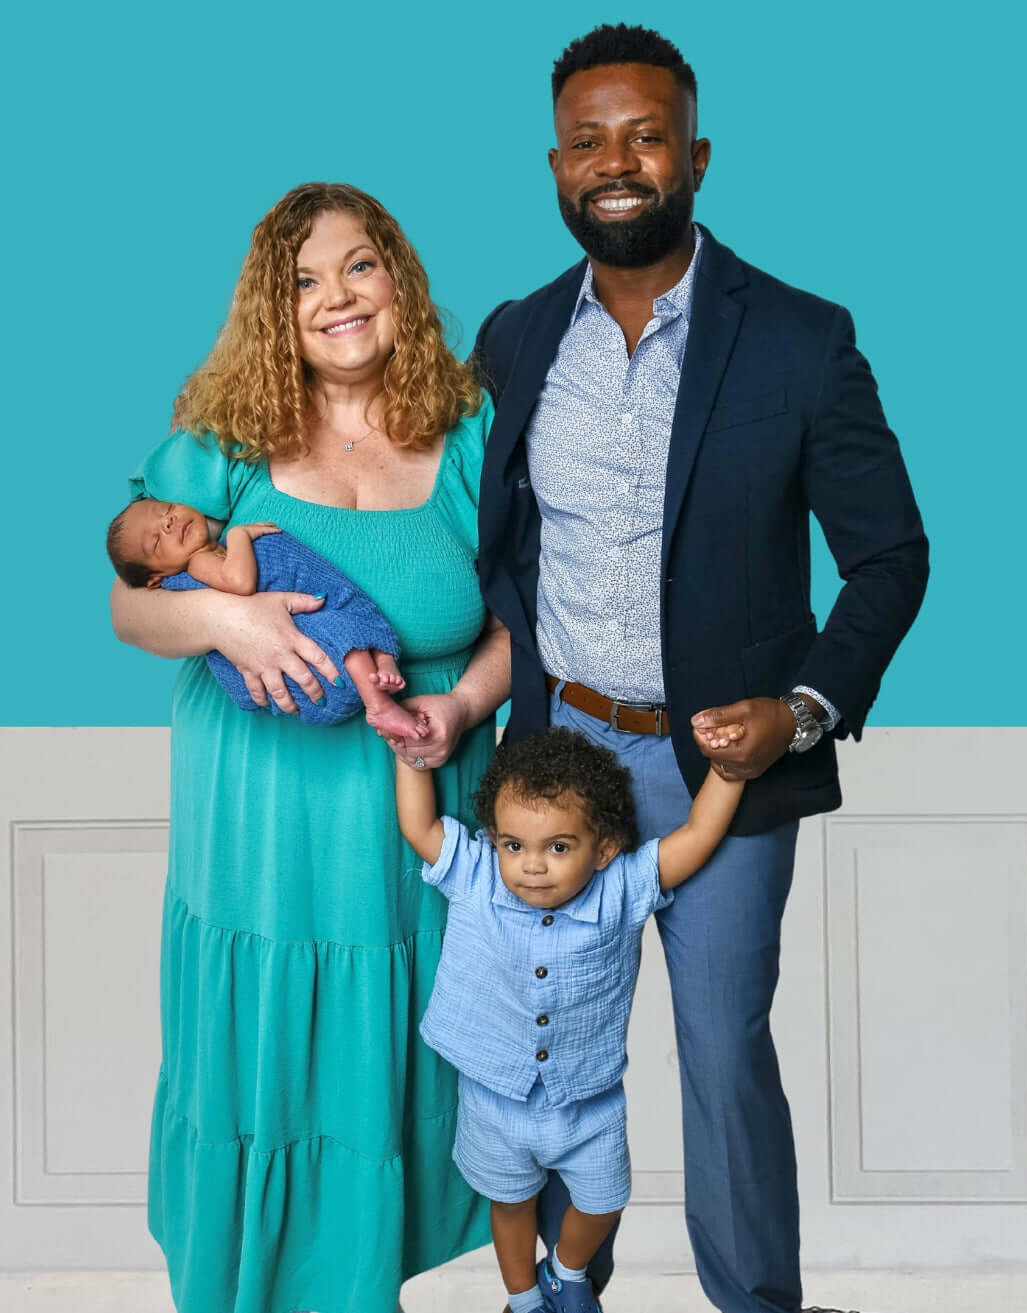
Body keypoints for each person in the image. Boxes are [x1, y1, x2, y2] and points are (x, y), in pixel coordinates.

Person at [472, 23, 929, 1313]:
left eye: (645, 137)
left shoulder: (799, 337)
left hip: (724, 770)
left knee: (723, 1052)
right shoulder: (514, 339)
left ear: (697, 155)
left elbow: (890, 555)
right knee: (551, 1064)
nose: (615, 163)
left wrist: (801, 711)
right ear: (555, 165)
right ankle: (557, 1298)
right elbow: (481, 542)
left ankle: (756, 1303)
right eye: (587, 141)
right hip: (557, 767)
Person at [110, 182, 509, 1313]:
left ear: (400, 281)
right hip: (259, 827)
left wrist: (463, 707)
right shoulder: (224, 437)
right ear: (271, 308)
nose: (337, 296)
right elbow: (128, 603)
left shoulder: (472, 428)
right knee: (263, 1070)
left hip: (414, 812)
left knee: (390, 1072)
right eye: (303, 281)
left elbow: (525, 621)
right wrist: (224, 618)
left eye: (359, 265)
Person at [393, 726, 744, 1313]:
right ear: (495, 841)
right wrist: (409, 752)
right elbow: (418, 826)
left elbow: (698, 836)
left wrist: (728, 773)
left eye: (558, 848)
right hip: (494, 1096)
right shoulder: (476, 876)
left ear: (602, 850)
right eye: (514, 846)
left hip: (588, 1099)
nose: (532, 866)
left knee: (605, 1200)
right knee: (510, 1204)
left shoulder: (622, 887)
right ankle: (524, 1300)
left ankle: (565, 1272)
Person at [106, 498, 427, 736]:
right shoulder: (198, 562)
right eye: (156, 541)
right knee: (344, 639)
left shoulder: (209, 550)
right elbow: (240, 583)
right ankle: (379, 706)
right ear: (155, 578)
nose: (167, 522)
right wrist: (239, 536)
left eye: (166, 509)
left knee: (357, 630)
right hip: (293, 660)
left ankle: (383, 668)